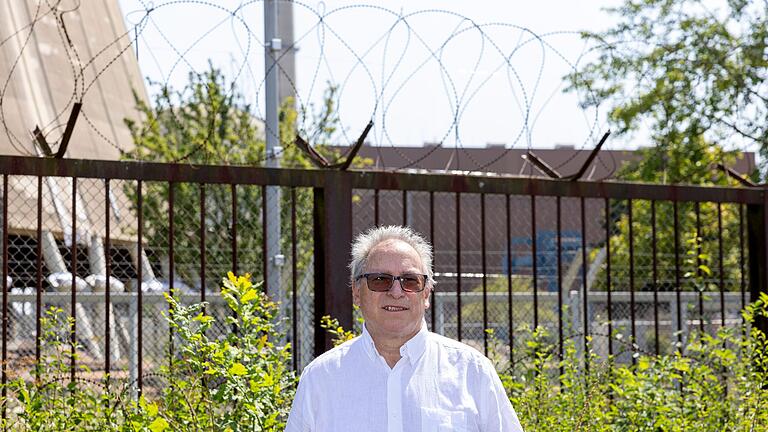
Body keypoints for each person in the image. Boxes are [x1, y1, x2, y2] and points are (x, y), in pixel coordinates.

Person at [286, 225, 524, 432]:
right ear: (357, 292)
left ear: (427, 294)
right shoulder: (320, 378)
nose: (396, 292)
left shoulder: (472, 372)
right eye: (380, 280)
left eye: (410, 281)